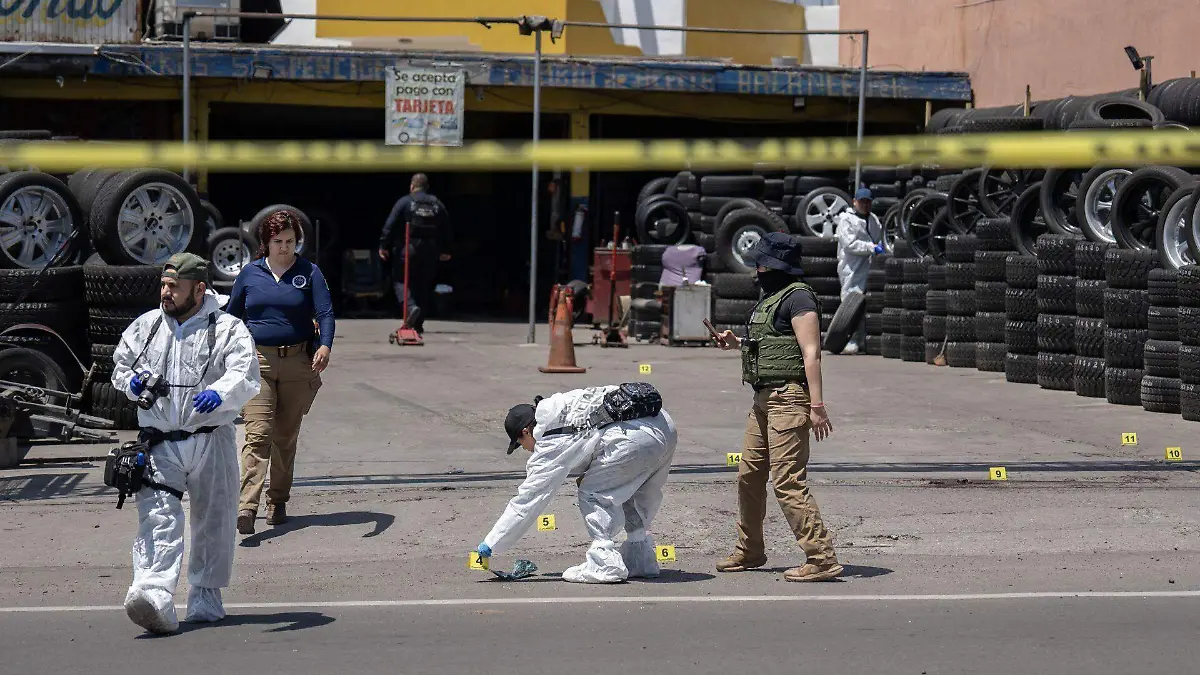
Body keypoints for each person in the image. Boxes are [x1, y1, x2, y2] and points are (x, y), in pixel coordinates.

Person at [110, 253, 261, 634]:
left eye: (175, 287)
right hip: (160, 442)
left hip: (211, 439)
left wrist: (221, 393)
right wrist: (132, 384)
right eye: (164, 285)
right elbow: (121, 366)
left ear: (199, 289)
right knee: (158, 517)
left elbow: (245, 372)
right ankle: (153, 593)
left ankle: (206, 597)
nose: (166, 292)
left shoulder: (226, 328)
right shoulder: (147, 327)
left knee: (214, 519)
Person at [712, 232, 843, 582]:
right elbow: (771, 344)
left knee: (786, 481)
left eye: (762, 263)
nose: (757, 269)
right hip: (763, 400)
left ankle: (822, 558)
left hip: (789, 398)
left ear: (776, 266)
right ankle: (750, 549)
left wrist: (817, 405)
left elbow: (811, 353)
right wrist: (736, 343)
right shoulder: (771, 297)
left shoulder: (798, 298)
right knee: (749, 475)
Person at [474, 385, 678, 583]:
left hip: (633, 439)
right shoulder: (564, 404)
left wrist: (491, 542)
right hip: (663, 425)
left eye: (520, 444)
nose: (527, 450)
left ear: (526, 431)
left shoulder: (550, 441)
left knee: (593, 493)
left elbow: (529, 499)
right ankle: (640, 558)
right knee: (625, 490)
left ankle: (605, 563)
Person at [227, 208, 336, 535]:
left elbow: (325, 313)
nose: (285, 247)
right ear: (266, 242)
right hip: (257, 362)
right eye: (278, 242)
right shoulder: (250, 274)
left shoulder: (309, 272)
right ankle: (247, 506)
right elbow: (232, 316)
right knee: (258, 434)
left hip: (298, 362)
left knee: (285, 438)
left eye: (290, 241)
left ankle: (277, 500)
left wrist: (325, 345)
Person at [378, 173, 452, 334]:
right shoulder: (437, 204)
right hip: (430, 250)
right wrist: (446, 250)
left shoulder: (405, 201)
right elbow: (446, 228)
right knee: (423, 285)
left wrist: (383, 245)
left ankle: (410, 307)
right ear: (427, 187)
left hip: (408, 249)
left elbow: (390, 224)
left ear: (412, 186)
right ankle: (418, 324)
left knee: (400, 281)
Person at [833, 187, 884, 354]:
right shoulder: (846, 220)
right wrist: (872, 248)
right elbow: (850, 244)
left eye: (868, 202)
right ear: (854, 202)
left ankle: (863, 340)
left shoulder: (873, 219)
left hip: (869, 267)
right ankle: (850, 340)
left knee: (866, 305)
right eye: (862, 202)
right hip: (851, 268)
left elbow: (879, 237)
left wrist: (880, 247)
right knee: (850, 305)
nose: (865, 205)